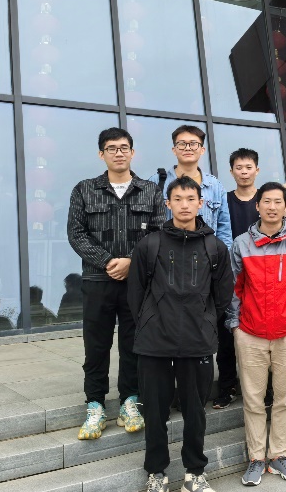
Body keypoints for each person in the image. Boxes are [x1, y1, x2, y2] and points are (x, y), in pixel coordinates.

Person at [128, 176, 234, 492]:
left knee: (195, 412)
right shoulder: (150, 244)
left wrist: (204, 321)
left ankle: (194, 473)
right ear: (168, 204)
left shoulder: (214, 247)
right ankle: (156, 472)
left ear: (201, 203)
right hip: (154, 342)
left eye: (190, 199)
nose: (184, 205)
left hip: (197, 341)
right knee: (155, 411)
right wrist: (150, 321)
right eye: (178, 199)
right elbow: (136, 293)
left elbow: (223, 294)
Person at [67, 127, 166, 441]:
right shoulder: (84, 189)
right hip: (98, 280)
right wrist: (109, 261)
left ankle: (129, 402)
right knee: (96, 345)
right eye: (111, 148)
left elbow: (159, 233)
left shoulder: (150, 191)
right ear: (102, 154)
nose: (118, 153)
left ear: (133, 153)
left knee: (133, 343)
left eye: (124, 147)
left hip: (137, 283)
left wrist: (132, 262)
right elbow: (76, 233)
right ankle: (95, 404)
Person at [227, 182, 286, 486]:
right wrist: (235, 325)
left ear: (285, 206)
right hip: (250, 332)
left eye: (278, 202)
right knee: (253, 399)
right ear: (257, 206)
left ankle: (279, 455)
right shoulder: (242, 244)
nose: (272, 207)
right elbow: (234, 288)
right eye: (266, 201)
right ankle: (256, 458)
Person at [213, 148, 262, 411]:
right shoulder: (224, 200)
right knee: (226, 334)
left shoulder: (265, 199)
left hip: (260, 276)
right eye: (239, 168)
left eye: (248, 167)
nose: (244, 172)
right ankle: (227, 386)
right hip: (228, 275)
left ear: (257, 170)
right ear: (231, 171)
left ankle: (262, 387)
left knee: (260, 334)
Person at [150, 125, 232, 250]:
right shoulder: (157, 182)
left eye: (193, 144)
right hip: (166, 255)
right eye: (182, 144)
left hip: (206, 256)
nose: (188, 148)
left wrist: (223, 257)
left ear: (202, 150)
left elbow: (224, 228)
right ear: (174, 150)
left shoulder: (215, 185)